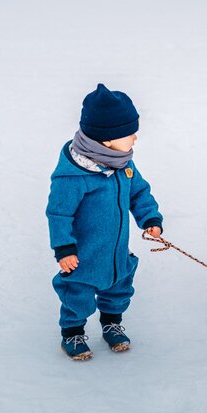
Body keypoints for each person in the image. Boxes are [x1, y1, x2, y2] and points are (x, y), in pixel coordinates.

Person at [46, 83, 163, 360]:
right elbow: (58, 214)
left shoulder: (123, 164)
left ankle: (112, 323)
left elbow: (139, 193)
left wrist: (150, 218)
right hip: (84, 256)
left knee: (119, 288)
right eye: (129, 133)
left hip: (117, 252)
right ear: (107, 139)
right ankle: (72, 333)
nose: (135, 138)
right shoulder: (73, 176)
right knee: (78, 294)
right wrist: (64, 248)